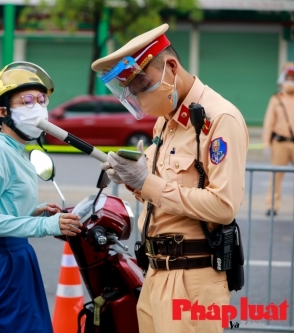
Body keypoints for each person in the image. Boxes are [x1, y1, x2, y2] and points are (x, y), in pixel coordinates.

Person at [92, 24, 248, 333]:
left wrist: (146, 182)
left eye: (144, 86)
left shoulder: (219, 119)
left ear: (172, 68)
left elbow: (223, 206)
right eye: (133, 92)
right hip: (155, 272)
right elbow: (160, 193)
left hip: (194, 277)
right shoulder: (165, 122)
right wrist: (132, 180)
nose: (141, 98)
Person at [0, 62, 82, 333]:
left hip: (16, 258)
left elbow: (0, 202)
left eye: (42, 100)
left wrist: (34, 210)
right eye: (28, 101)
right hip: (0, 265)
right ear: (3, 112)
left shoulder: (13, 148)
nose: (38, 107)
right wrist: (46, 225)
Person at [262, 62, 294, 216]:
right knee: (275, 177)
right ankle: (272, 206)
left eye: (292, 77)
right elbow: (269, 123)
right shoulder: (276, 99)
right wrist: (266, 143)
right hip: (280, 143)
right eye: (288, 77)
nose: (290, 80)